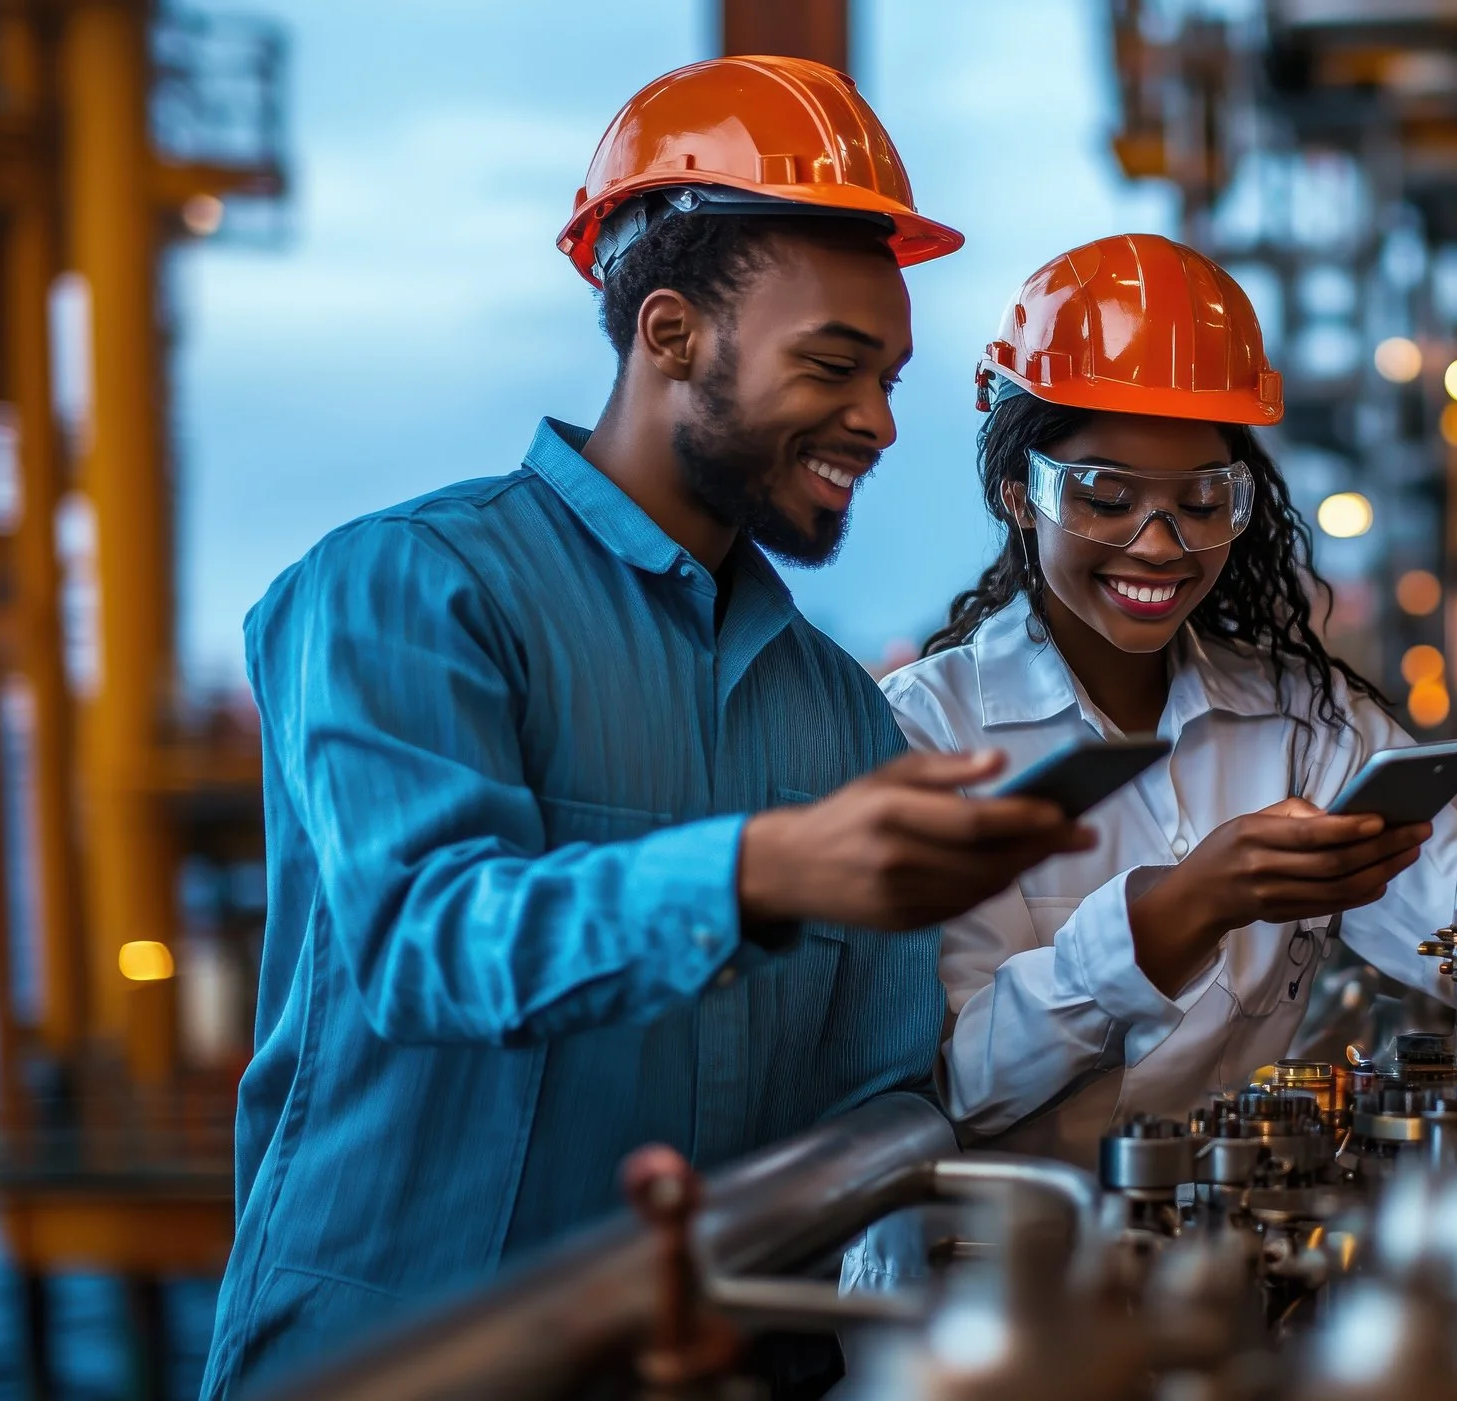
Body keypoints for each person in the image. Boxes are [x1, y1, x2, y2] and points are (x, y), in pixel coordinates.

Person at [201, 58, 1090, 1398]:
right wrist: (760, 872)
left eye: (893, 376)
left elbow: (879, 1102)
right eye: (835, 366)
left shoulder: (841, 714)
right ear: (669, 334)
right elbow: (428, 940)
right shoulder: (404, 591)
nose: (879, 421)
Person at [879, 234, 1457, 1169]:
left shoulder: (1305, 727)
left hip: (1238, 1260)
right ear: (1016, 495)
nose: (1159, 546)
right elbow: (953, 1086)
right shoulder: (926, 732)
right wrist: (1177, 911)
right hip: (1003, 1275)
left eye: (1201, 501)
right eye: (1107, 497)